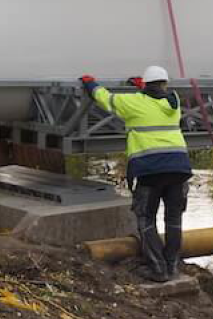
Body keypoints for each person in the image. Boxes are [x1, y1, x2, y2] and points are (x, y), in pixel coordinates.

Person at [80, 66, 192, 282]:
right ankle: (172, 265)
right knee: (174, 219)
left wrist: (90, 83)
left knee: (146, 218)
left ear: (146, 85)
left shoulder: (132, 103)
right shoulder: (173, 101)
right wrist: (143, 86)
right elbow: (156, 97)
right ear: (165, 84)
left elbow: (106, 99)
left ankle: (158, 269)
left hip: (150, 171)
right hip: (179, 169)